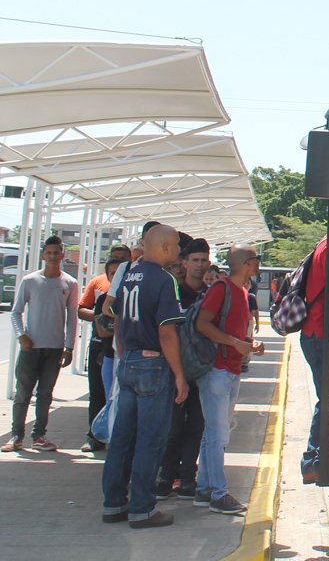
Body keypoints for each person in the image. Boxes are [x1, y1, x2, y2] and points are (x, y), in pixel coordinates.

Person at [101, 224, 188, 529]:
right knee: (151, 440)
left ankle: (113, 504)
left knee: (122, 439)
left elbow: (118, 322)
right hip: (153, 365)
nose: (178, 251)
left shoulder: (127, 275)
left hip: (128, 362)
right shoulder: (165, 280)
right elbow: (167, 332)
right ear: (164, 247)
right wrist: (179, 375)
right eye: (176, 246)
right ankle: (142, 508)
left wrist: (126, 356)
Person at [193, 244, 264, 516]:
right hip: (217, 370)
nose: (258, 264)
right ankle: (218, 494)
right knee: (218, 434)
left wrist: (248, 343)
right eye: (256, 260)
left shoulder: (242, 293)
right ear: (248, 263)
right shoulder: (221, 289)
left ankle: (204, 490)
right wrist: (237, 342)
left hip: (230, 370)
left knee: (214, 433)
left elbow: (230, 330)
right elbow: (203, 324)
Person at [3, 235, 78, 453]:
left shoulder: (70, 283)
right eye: (49, 253)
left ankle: (39, 436)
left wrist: (69, 348)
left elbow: (72, 317)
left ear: (63, 255)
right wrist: (21, 336)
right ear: (43, 255)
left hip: (54, 349)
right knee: (22, 394)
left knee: (45, 394)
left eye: (57, 252)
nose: (53, 256)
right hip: (30, 348)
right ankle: (16, 435)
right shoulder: (30, 281)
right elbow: (16, 312)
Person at [156, 238, 210, 500]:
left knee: (196, 428)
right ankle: (167, 476)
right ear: (184, 263)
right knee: (172, 428)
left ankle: (188, 478)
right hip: (173, 371)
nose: (199, 265)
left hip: (202, 373)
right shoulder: (170, 292)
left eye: (203, 260)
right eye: (194, 260)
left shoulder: (212, 295)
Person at [77, 244, 131, 452]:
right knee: (99, 393)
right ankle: (95, 436)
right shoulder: (99, 288)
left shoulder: (134, 291)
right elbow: (83, 310)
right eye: (114, 260)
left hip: (122, 352)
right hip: (102, 348)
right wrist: (104, 319)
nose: (117, 274)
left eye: (123, 260)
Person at [298, 237, 327, 485]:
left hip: (314, 334)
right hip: (317, 333)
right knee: (326, 399)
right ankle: (312, 459)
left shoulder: (323, 244)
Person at [90, 257, 126, 444]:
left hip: (129, 358)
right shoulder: (104, 299)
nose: (118, 276)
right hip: (110, 357)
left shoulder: (132, 295)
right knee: (109, 400)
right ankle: (103, 439)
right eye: (113, 273)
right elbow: (102, 330)